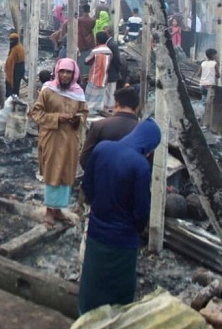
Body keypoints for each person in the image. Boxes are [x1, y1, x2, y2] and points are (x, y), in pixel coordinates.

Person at [78, 118, 161, 315]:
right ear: (149, 146)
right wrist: (135, 229)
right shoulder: (140, 166)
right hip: (123, 242)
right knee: (117, 295)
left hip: (96, 233)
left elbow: (87, 187)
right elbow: (141, 210)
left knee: (92, 285)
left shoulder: (102, 149)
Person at [30, 58, 87, 229]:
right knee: (52, 172)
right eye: (62, 71)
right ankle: (49, 209)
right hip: (52, 137)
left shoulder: (78, 93)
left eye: (68, 72)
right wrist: (57, 118)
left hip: (70, 139)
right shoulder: (47, 90)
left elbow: (84, 112)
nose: (64, 75)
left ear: (73, 74)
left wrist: (78, 120)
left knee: (66, 173)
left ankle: (59, 210)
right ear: (57, 72)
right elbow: (36, 113)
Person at [79, 87, 140, 169]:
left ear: (116, 104)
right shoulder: (141, 130)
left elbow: (85, 159)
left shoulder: (99, 125)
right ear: (137, 108)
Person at [84, 32, 112, 113]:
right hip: (103, 79)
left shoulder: (95, 50)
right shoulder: (109, 51)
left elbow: (86, 61)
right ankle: (97, 113)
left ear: (97, 40)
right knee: (99, 100)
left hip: (94, 78)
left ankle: (88, 114)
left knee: (89, 100)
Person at [77, 4, 97, 81]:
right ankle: (88, 77)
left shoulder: (79, 20)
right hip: (90, 42)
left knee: (81, 60)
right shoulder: (93, 20)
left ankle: (81, 77)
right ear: (89, 10)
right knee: (89, 60)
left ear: (82, 10)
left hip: (81, 42)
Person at [103, 27, 123, 105]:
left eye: (105, 32)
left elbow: (117, 60)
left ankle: (110, 110)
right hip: (108, 73)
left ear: (109, 33)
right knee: (107, 93)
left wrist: (117, 70)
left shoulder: (112, 44)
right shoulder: (108, 43)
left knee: (111, 94)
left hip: (112, 72)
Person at [5, 33, 26, 97]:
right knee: (17, 84)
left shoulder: (15, 49)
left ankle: (12, 97)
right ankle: (15, 96)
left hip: (15, 68)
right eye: (10, 40)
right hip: (20, 67)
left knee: (13, 84)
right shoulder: (21, 47)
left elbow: (11, 62)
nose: (11, 42)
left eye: (13, 40)